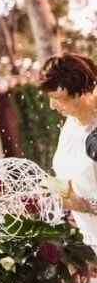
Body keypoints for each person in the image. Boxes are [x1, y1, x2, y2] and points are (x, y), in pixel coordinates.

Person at [40, 54, 97, 245]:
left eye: (57, 98)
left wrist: (85, 206)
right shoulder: (71, 124)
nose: (51, 106)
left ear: (82, 91)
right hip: (87, 239)